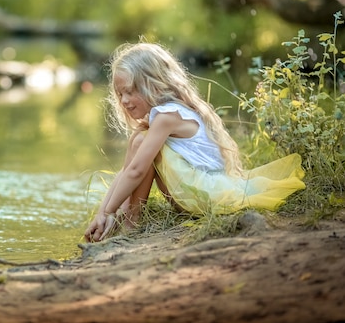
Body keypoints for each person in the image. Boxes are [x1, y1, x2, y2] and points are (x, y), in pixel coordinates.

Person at [84, 42, 305, 243]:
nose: (123, 101)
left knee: (142, 143)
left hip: (207, 196)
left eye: (130, 92)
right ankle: (127, 220)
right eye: (120, 93)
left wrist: (109, 212)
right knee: (139, 140)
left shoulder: (167, 117)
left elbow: (135, 171)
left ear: (154, 85)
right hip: (195, 194)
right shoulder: (160, 119)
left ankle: (132, 222)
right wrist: (103, 213)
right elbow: (127, 170)